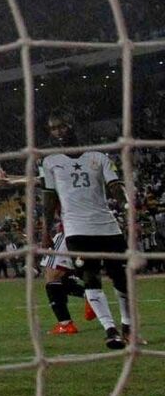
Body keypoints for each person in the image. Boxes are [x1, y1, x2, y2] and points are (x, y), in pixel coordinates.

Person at [40, 109, 136, 349]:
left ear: (72, 125)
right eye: (53, 128)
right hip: (77, 230)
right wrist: (45, 231)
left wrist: (128, 208)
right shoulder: (49, 162)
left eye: (61, 126)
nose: (58, 132)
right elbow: (49, 199)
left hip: (108, 227)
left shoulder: (99, 157)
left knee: (122, 279)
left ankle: (128, 328)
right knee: (91, 278)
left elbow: (115, 186)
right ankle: (110, 331)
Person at [0, 166, 99, 333]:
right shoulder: (76, 175)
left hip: (70, 231)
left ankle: (67, 322)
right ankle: (88, 298)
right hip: (90, 230)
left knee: (51, 277)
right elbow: (38, 180)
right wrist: (9, 177)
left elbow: (37, 181)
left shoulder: (57, 174)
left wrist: (9, 181)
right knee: (60, 276)